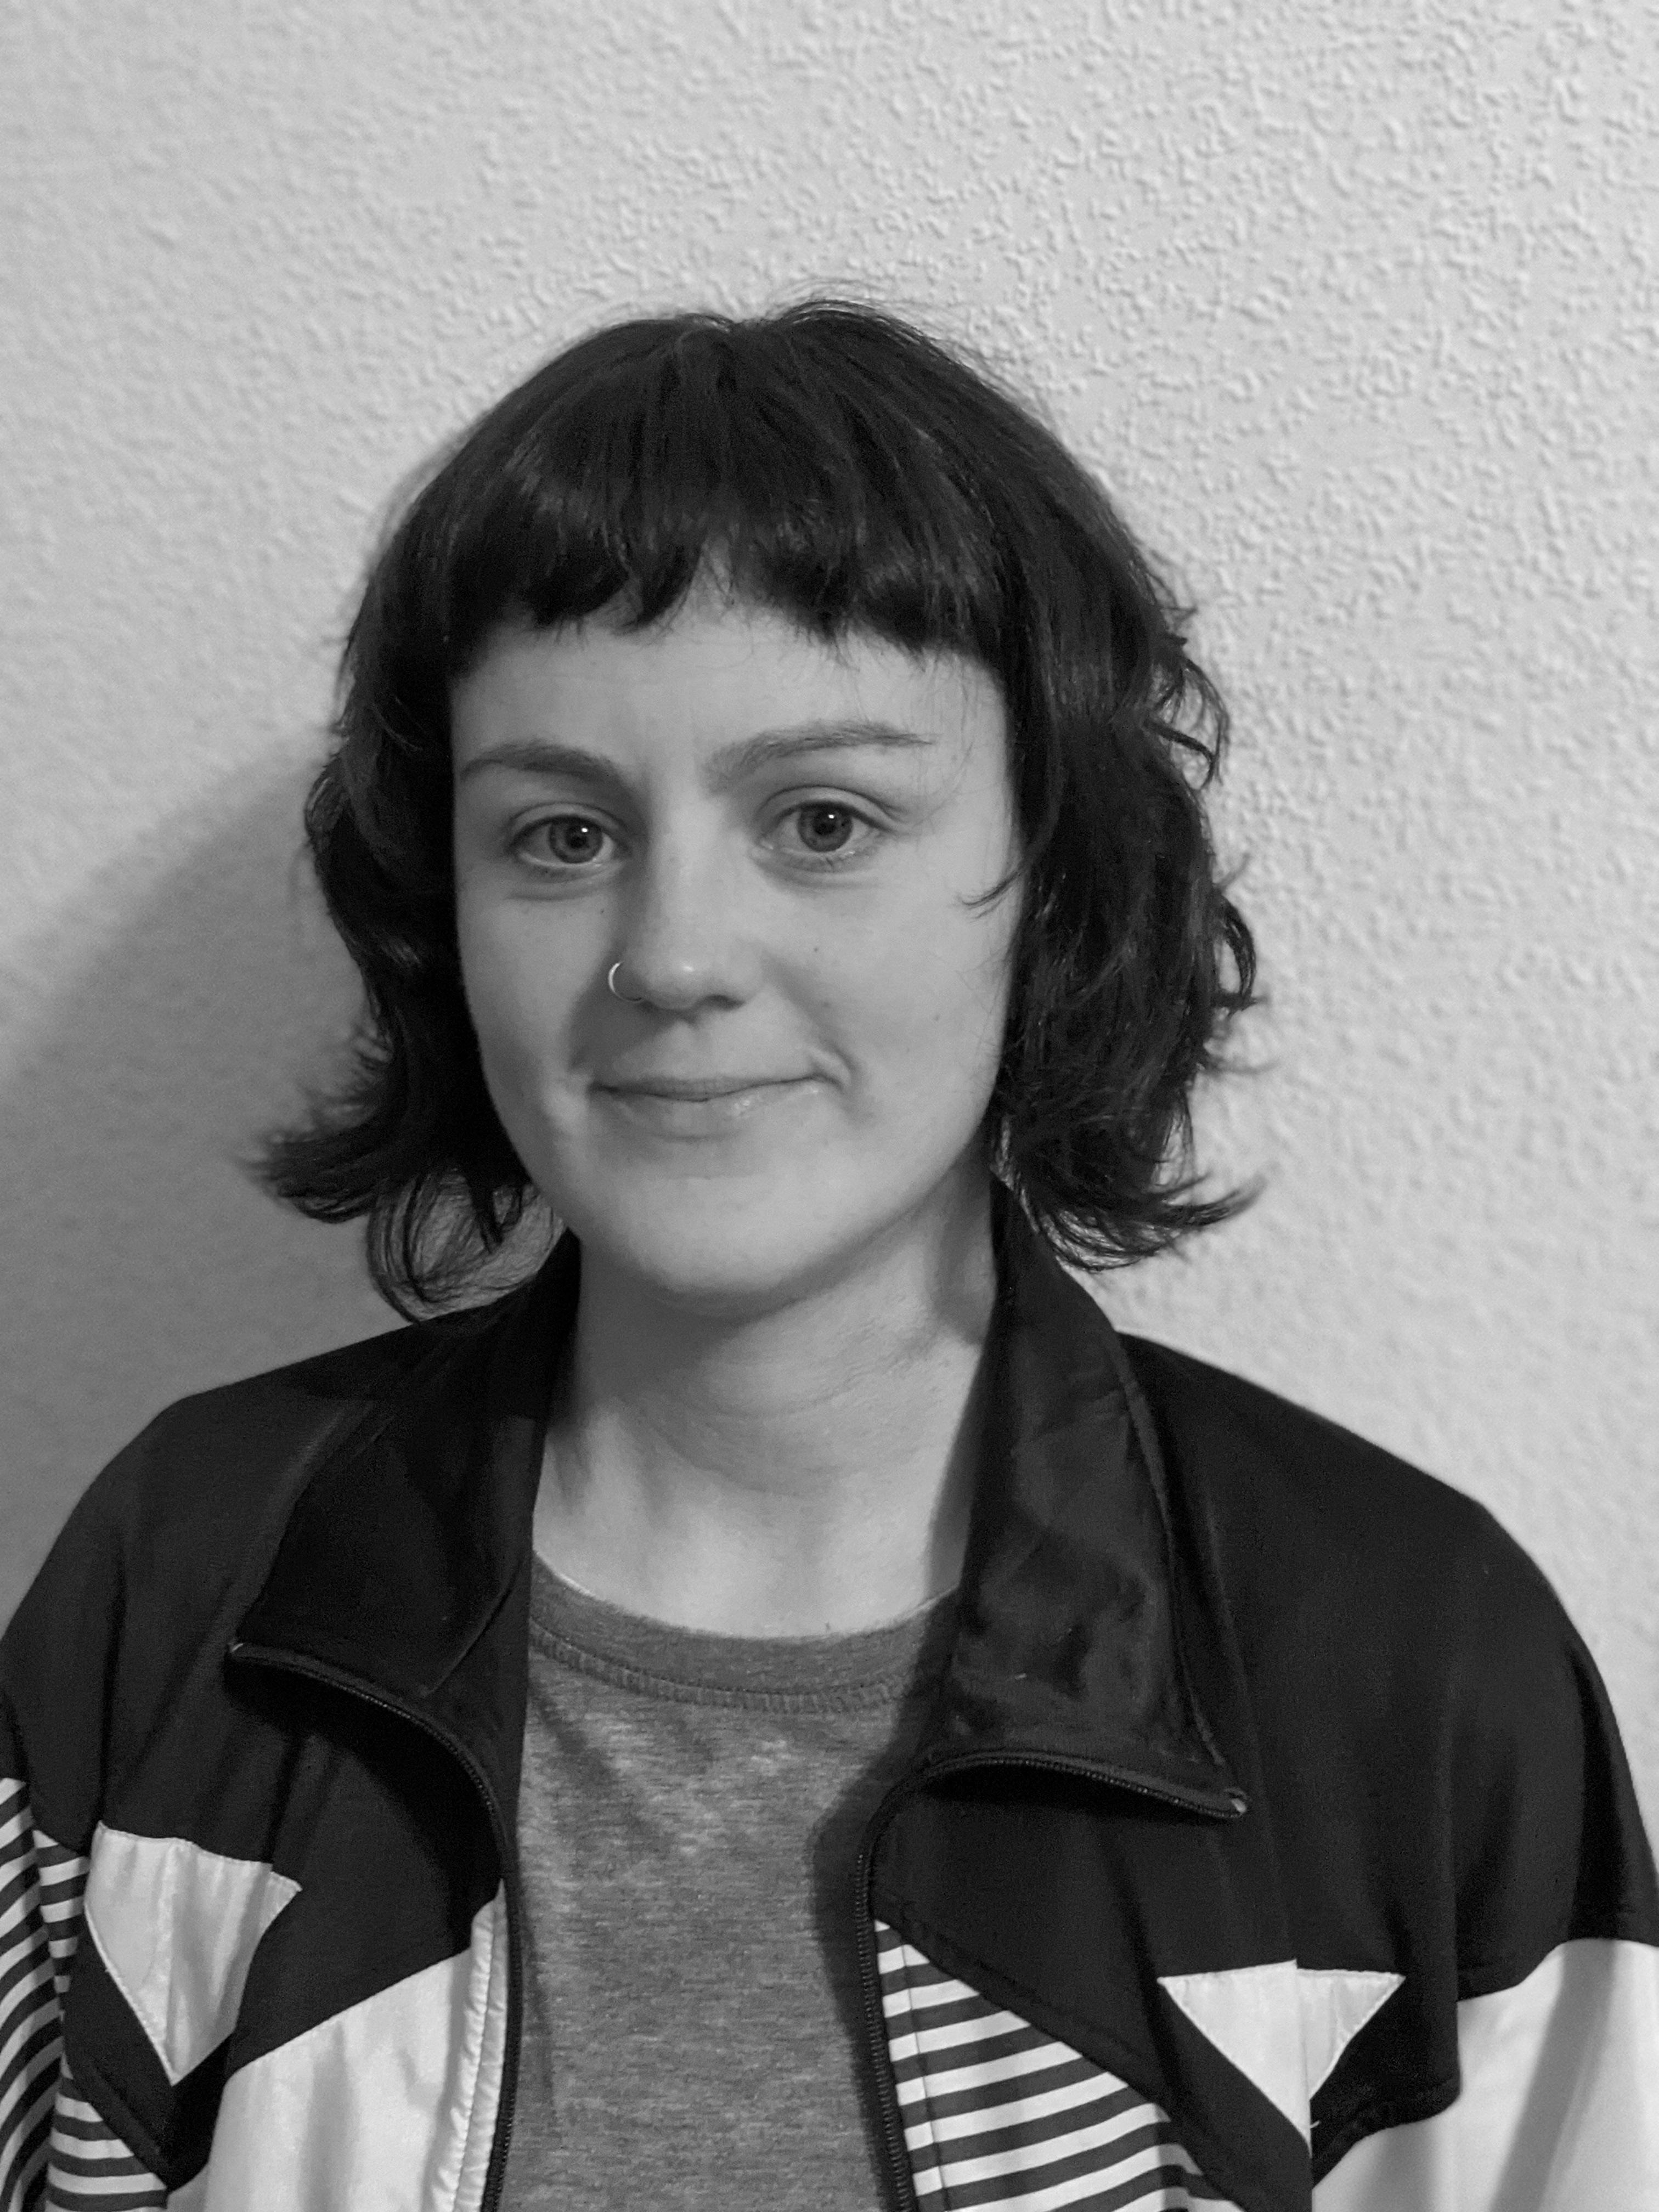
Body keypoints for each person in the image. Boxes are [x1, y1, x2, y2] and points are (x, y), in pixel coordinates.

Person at [2, 296, 1654, 2212]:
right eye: (558, 835)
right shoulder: (186, 1580)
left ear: (1055, 882)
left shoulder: (1410, 1669)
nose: (673, 954)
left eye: (822, 819)